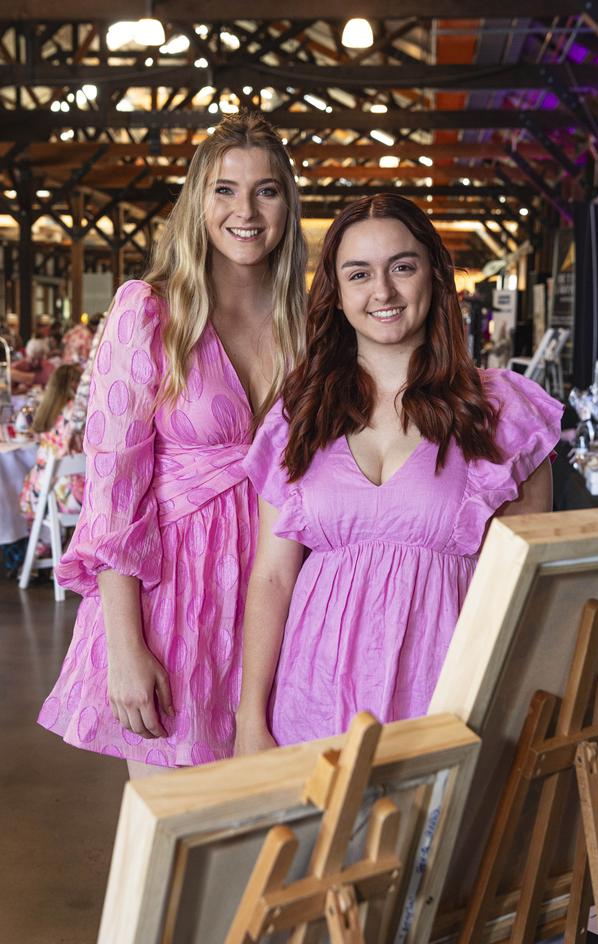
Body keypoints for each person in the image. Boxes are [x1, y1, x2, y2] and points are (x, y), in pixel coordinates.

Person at [235, 194, 562, 754]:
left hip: (447, 702)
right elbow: (272, 578)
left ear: (434, 276)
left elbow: (529, 593)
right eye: (358, 274)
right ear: (336, 295)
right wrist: (249, 719)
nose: (381, 292)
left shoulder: (500, 413)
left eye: (402, 267)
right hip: (310, 701)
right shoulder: (299, 417)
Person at [37, 112, 307, 776]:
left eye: (266, 190)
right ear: (198, 203)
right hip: (176, 597)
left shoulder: (310, 324)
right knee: (176, 825)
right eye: (225, 190)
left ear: (287, 206)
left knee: (274, 814)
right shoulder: (150, 311)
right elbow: (111, 490)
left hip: (283, 592)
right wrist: (126, 646)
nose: (245, 209)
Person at [19, 364, 85, 524]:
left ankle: (44, 544)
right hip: (86, 497)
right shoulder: (79, 413)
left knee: (32, 478)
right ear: (75, 384)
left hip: (45, 495)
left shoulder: (47, 412)